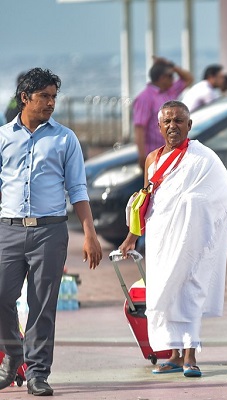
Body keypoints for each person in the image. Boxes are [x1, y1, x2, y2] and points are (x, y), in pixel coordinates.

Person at [0, 67, 103, 396]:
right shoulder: (3, 138)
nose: (50, 103)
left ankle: (37, 373)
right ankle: (14, 354)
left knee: (42, 304)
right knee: (2, 296)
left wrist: (90, 234)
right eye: (44, 96)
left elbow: (78, 189)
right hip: (8, 230)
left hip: (50, 232)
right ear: (24, 98)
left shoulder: (65, 138)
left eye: (54, 97)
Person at [119, 100, 227, 377]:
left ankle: (190, 356)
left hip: (192, 239)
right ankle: (172, 355)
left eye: (178, 121)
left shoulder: (203, 157)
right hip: (161, 238)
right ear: (159, 126)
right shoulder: (152, 159)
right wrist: (131, 237)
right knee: (164, 293)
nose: (173, 126)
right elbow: (144, 201)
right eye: (167, 122)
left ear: (189, 125)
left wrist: (192, 202)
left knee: (190, 291)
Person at [132, 56, 193, 169]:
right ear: (161, 78)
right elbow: (139, 128)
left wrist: (171, 65)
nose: (173, 79)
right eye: (170, 76)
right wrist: (142, 156)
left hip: (172, 153)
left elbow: (188, 78)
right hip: (155, 156)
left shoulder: (169, 92)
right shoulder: (145, 98)